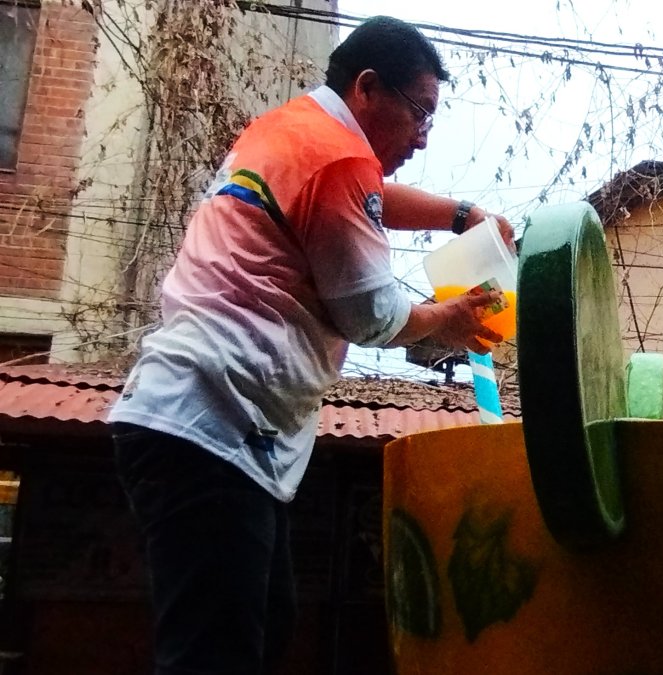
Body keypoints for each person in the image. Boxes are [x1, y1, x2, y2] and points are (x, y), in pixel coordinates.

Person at [107, 16, 512, 675]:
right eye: (419, 113)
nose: (424, 135)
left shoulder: (290, 132)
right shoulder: (338, 159)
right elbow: (372, 315)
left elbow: (370, 193)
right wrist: (451, 319)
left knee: (263, 628)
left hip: (202, 421)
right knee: (217, 654)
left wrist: (460, 215)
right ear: (368, 88)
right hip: (213, 423)